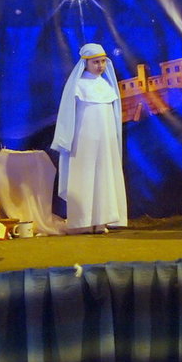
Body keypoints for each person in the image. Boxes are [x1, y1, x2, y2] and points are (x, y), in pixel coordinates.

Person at [51, 43, 127, 234]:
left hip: (105, 141)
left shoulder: (107, 85)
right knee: (84, 175)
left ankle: (103, 220)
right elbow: (68, 115)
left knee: (104, 175)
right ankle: (83, 221)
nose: (100, 66)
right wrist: (66, 139)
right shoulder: (78, 85)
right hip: (83, 140)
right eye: (95, 62)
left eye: (102, 61)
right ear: (85, 63)